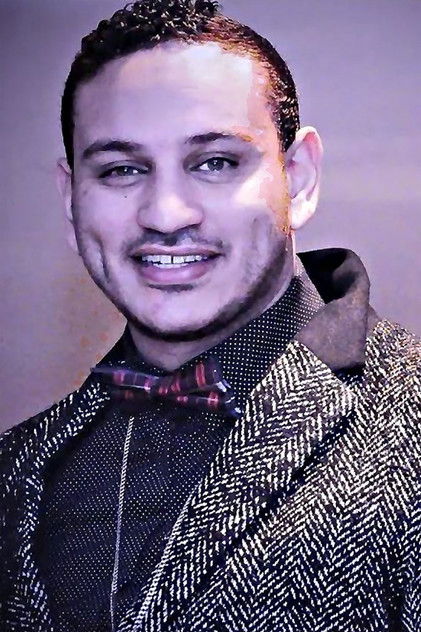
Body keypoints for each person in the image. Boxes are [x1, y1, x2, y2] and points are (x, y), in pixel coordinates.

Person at [1, 1, 419, 630]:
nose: (166, 214)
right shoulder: (17, 467)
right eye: (121, 169)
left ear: (298, 179)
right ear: (71, 200)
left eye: (215, 162)